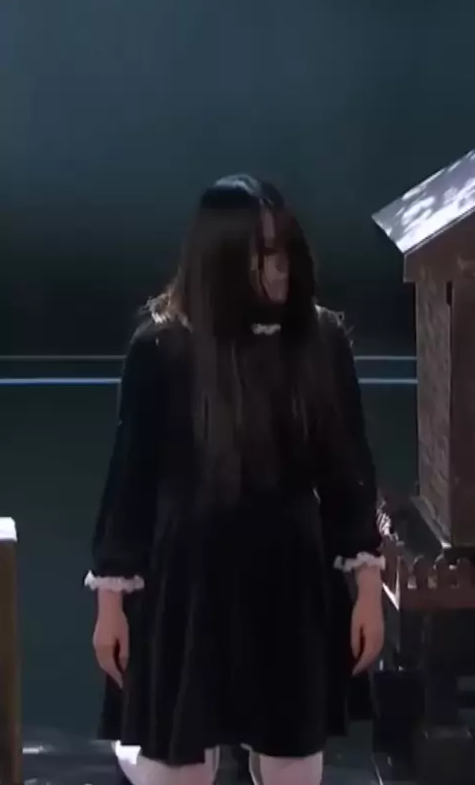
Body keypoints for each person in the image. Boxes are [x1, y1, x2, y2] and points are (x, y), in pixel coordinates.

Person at [85, 175, 385, 785]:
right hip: (188, 584)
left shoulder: (319, 342)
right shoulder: (163, 347)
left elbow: (348, 474)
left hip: (288, 582)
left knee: (292, 765)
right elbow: (130, 485)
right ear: (221, 258)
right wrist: (110, 606)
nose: (277, 269)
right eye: (261, 254)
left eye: (282, 251)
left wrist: (368, 593)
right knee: (179, 768)